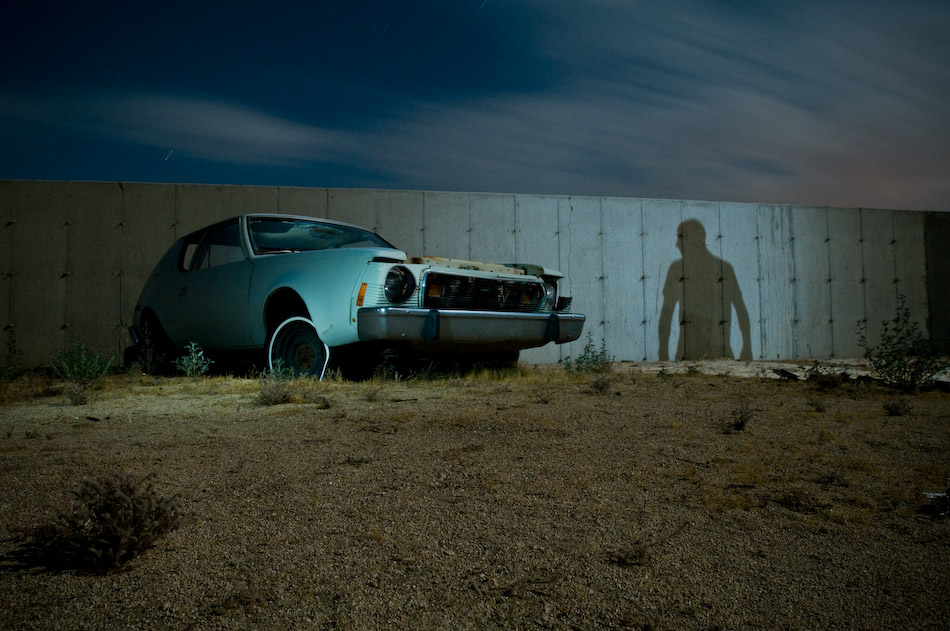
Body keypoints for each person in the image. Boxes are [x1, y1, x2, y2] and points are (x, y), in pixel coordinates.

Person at [658, 220, 752, 361]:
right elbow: (740, 308)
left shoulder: (678, 269)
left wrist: (663, 354)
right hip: (718, 352)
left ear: (695, 240)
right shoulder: (724, 268)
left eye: (681, 237)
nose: (677, 244)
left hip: (690, 353)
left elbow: (667, 313)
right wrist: (747, 346)